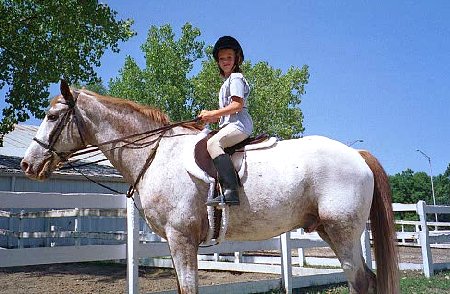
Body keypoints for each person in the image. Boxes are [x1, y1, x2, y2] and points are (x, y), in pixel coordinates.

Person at [199, 36, 253, 207]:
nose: (225, 61)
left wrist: (213, 113)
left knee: (213, 144)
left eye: (229, 57)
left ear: (236, 58)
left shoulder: (236, 78)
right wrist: (209, 117)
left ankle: (230, 192)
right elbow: (225, 112)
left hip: (239, 125)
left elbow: (237, 105)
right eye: (221, 59)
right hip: (230, 124)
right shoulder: (226, 83)